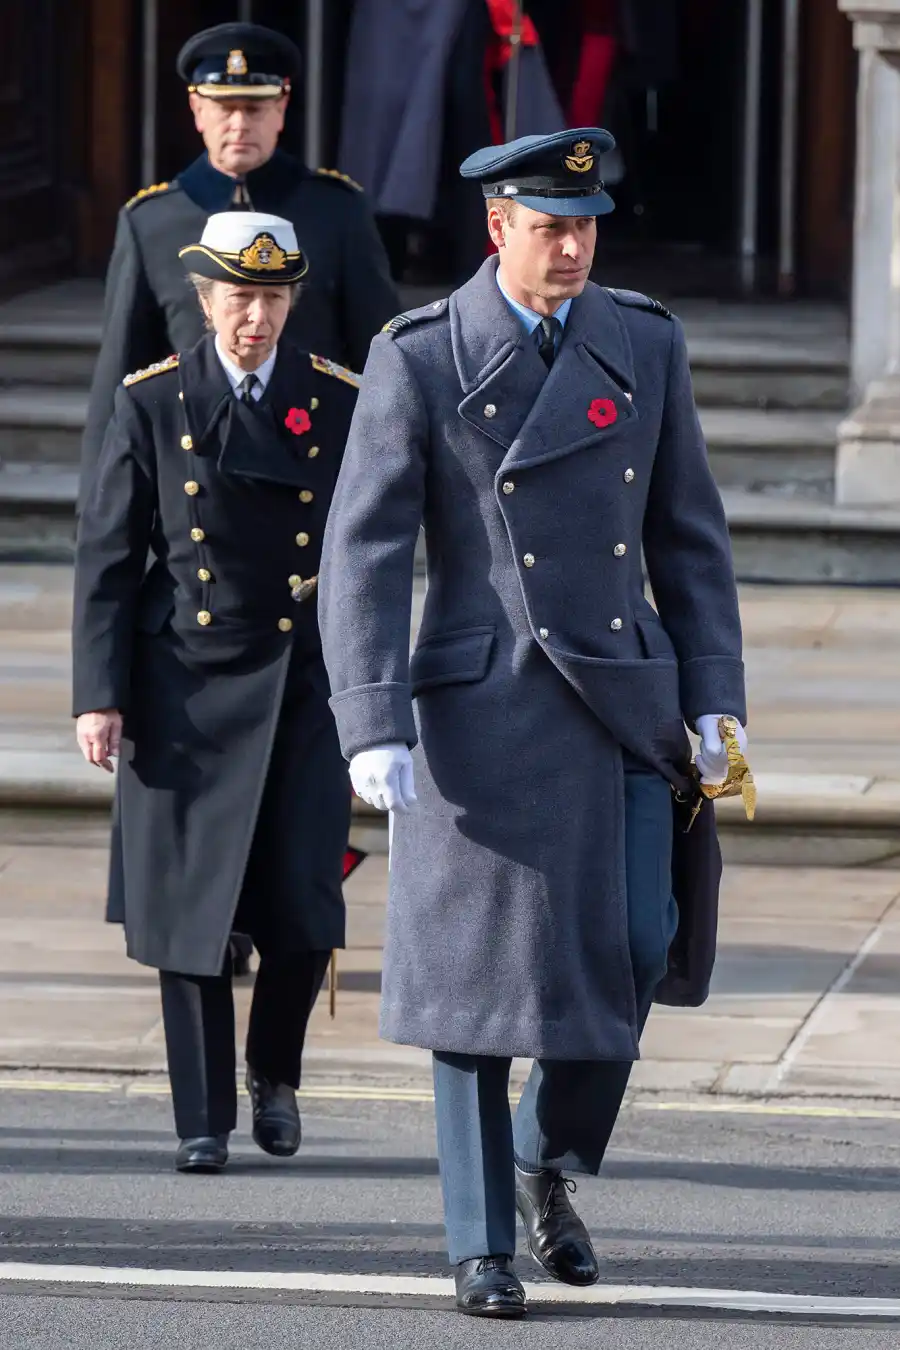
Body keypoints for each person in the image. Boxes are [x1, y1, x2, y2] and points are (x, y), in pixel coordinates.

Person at [318, 128, 749, 1319]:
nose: (573, 246)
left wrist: (715, 694)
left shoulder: (644, 341)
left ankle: (538, 1159)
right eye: (549, 226)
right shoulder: (420, 355)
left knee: (638, 950)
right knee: (477, 992)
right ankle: (479, 1248)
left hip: (622, 696)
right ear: (497, 228)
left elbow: (688, 533)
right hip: (482, 705)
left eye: (587, 223)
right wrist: (371, 718)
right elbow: (363, 550)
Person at [73, 212, 359, 1174]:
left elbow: (369, 557)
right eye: (240, 297)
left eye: (273, 298)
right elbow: (108, 556)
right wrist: (98, 694)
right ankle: (202, 1116)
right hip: (184, 686)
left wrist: (376, 694)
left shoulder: (335, 402)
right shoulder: (152, 400)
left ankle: (274, 1073)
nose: (256, 318)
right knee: (190, 910)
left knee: (306, 903)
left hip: (302, 679)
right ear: (203, 300)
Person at [80, 20, 398, 513]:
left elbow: (379, 354)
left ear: (282, 107)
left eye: (254, 108)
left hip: (311, 469)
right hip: (195, 479)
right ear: (196, 109)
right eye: (225, 108)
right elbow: (121, 375)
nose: (239, 124)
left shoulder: (336, 210)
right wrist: (100, 504)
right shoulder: (152, 221)